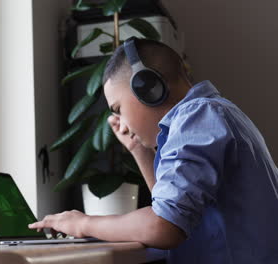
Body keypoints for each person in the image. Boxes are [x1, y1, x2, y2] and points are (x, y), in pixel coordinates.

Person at [28, 37, 278, 263]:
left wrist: (83, 223)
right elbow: (171, 206)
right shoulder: (213, 113)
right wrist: (138, 150)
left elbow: (165, 224)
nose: (121, 123)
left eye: (118, 108)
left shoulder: (197, 116)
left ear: (147, 88)